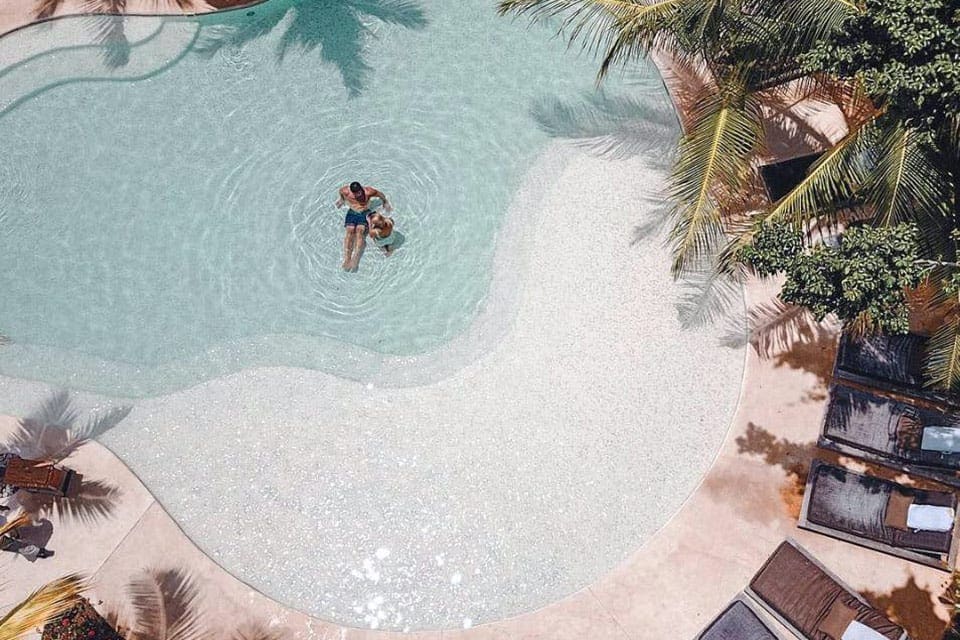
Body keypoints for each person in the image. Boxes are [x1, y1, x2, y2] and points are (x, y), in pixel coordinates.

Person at [335, 181, 393, 271]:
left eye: (360, 192)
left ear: (361, 188)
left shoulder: (368, 191)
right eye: (356, 194)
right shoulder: (345, 191)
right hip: (352, 212)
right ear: (351, 191)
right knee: (349, 231)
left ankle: (355, 258)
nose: (359, 195)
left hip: (364, 213)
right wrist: (342, 200)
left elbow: (380, 194)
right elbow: (341, 192)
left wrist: (385, 202)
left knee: (359, 231)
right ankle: (347, 259)